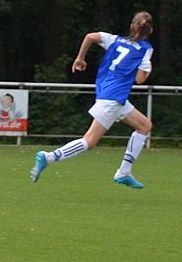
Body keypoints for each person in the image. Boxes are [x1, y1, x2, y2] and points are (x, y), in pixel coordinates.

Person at [30, 11, 154, 189]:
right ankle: (49, 157)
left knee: (144, 125)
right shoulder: (145, 49)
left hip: (111, 94)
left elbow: (90, 37)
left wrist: (80, 58)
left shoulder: (114, 40)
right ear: (150, 31)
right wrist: (147, 67)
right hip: (113, 98)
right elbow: (140, 79)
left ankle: (124, 172)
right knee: (89, 141)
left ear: (131, 26)